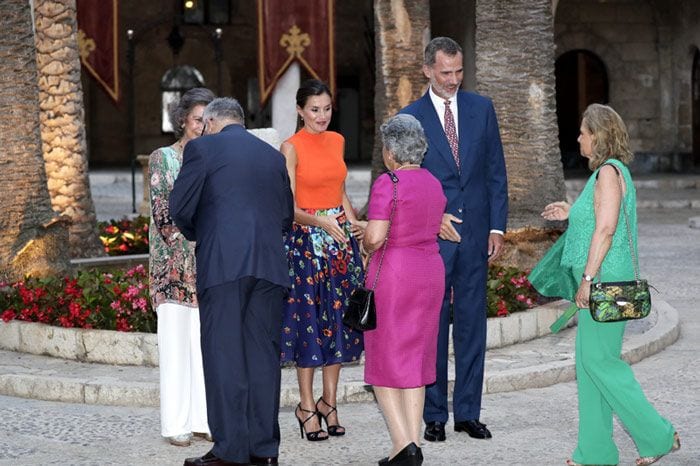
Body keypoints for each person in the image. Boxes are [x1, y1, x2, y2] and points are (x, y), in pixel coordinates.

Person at [530, 103, 680, 466]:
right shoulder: (607, 175)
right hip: (605, 280)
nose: (578, 137)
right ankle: (596, 452)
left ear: (597, 136)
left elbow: (607, 228)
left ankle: (658, 435)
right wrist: (570, 211)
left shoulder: (610, 174)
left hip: (605, 283)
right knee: (589, 365)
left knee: (602, 364)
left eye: (583, 131)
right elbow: (597, 215)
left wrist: (587, 280)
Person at [170, 97, 294, 466]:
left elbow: (180, 207)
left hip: (223, 264)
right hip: (270, 267)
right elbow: (286, 216)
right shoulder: (272, 156)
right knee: (263, 358)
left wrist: (204, 233)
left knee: (225, 357)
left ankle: (229, 451)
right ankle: (264, 450)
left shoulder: (202, 149)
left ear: (209, 122)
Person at [400, 37, 508, 442]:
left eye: (459, 71)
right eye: (446, 72)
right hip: (433, 241)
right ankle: (434, 415)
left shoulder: (482, 108)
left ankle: (468, 412)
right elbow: (404, 185)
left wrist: (497, 227)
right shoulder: (409, 118)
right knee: (431, 328)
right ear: (427, 70)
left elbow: (496, 171)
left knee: (471, 328)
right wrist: (433, 217)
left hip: (478, 237)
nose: (453, 79)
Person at [279, 79, 365, 442]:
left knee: (338, 325)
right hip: (306, 246)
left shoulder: (338, 141)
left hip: (340, 243)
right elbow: (288, 207)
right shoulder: (291, 148)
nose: (322, 116)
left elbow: (341, 191)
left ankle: (329, 403)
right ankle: (305, 406)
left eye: (327, 108)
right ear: (300, 111)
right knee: (310, 324)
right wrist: (320, 221)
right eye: (314, 109)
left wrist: (354, 223)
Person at [363, 114, 446, 466]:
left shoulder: (388, 182)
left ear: (390, 152)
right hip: (430, 273)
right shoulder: (433, 183)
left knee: (383, 362)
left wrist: (365, 238)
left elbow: (376, 237)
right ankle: (411, 445)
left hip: (394, 277)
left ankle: (403, 446)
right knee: (415, 361)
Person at [148, 87, 214, 447]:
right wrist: (196, 243)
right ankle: (175, 423)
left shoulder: (213, 158)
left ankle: (204, 420)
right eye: (197, 119)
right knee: (175, 346)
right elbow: (162, 214)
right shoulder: (163, 158)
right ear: (183, 120)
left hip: (207, 266)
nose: (203, 126)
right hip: (172, 268)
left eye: (208, 119)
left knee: (203, 346)